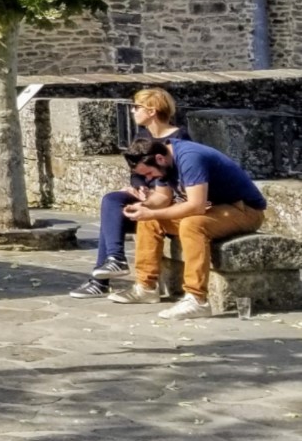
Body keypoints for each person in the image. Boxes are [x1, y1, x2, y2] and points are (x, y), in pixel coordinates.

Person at [109, 134, 267, 319]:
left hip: (245, 210)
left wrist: (152, 212)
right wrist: (144, 206)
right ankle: (146, 287)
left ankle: (197, 299)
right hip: (216, 208)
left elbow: (196, 206)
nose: (149, 178)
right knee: (149, 220)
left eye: (149, 174)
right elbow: (162, 198)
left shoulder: (190, 158)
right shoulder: (163, 161)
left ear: (159, 159)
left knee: (192, 224)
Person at [71, 89, 187, 298]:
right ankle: (115, 260)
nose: (133, 111)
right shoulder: (142, 136)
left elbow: (176, 178)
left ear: (151, 111)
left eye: (136, 107)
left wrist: (151, 194)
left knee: (113, 217)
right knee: (112, 202)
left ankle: (101, 281)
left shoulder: (179, 138)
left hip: (169, 200)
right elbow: (136, 172)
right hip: (148, 194)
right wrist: (137, 186)